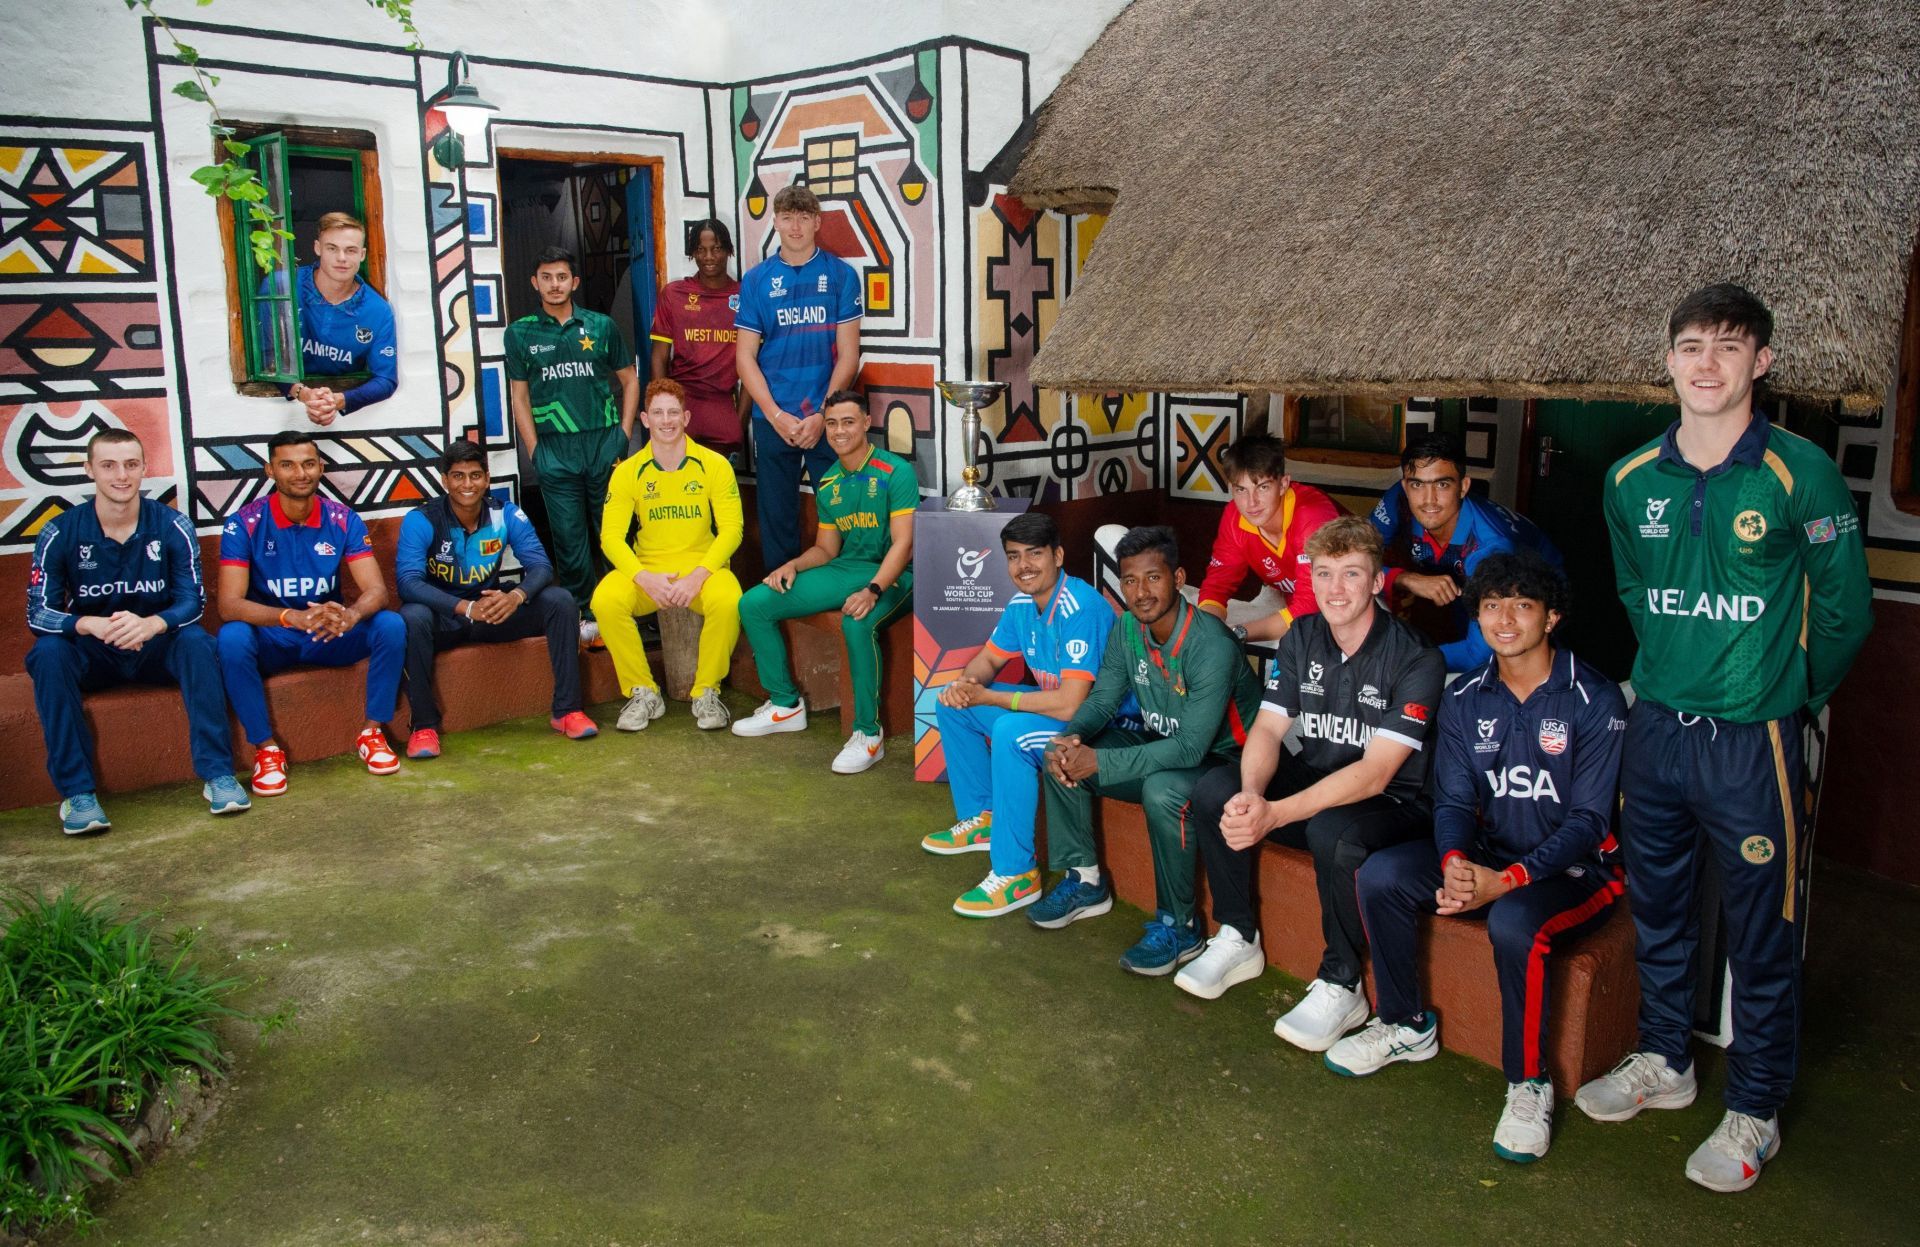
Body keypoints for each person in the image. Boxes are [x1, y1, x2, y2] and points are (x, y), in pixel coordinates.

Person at [1580, 282, 1872, 1193]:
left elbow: (1847, 612)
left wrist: (1792, 696)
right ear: (1667, 361)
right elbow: (1635, 593)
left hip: (1755, 742)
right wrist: (1671, 672)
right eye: (1693, 346)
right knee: (1659, 905)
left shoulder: (1800, 471)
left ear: (1763, 363)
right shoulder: (1629, 479)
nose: (1708, 363)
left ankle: (1755, 1105)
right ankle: (1666, 1060)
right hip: (1658, 732)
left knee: (1763, 928)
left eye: (1730, 347)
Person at [1331, 552, 1626, 1165]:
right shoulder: (1465, 696)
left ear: (1552, 616)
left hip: (1576, 870)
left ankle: (1528, 1081)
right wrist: (1457, 862)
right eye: (1492, 606)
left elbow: (1589, 822)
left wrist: (1507, 881)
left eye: (1522, 605)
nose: (1505, 619)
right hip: (1491, 852)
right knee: (1383, 875)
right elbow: (1454, 801)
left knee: (1514, 922)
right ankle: (1405, 1023)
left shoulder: (1593, 698)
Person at [1176, 518, 1444, 1052]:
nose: (1335, 589)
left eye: (1351, 574)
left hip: (1398, 805)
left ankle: (1343, 983)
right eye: (1324, 574)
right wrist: (1253, 794)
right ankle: (1237, 935)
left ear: (1376, 582)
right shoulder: (1303, 634)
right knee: (1216, 789)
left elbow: (1376, 772)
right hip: (1322, 783)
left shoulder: (1417, 657)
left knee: (1331, 833)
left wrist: (1276, 815)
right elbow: (1270, 727)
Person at [1033, 525, 1264, 975]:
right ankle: (1084, 881)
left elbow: (1193, 747)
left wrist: (1099, 760)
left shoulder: (1211, 644)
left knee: (1164, 791)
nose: (1141, 592)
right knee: (1060, 752)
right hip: (1165, 748)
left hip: (1227, 763)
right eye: (1130, 581)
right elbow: (1102, 700)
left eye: (1153, 578)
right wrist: (1073, 737)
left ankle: (1182, 927)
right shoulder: (1127, 627)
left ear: (1178, 579)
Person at [25, 429, 249, 833]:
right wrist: (85, 623)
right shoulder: (60, 532)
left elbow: (192, 602)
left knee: (198, 643)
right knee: (48, 653)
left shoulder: (172, 526)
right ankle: (78, 794)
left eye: (131, 465)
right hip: (95, 650)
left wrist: (152, 624)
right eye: (108, 465)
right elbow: (38, 612)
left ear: (145, 468)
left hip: (154, 647)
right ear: (89, 469)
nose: (121, 476)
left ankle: (218, 775)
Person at [924, 511, 1121, 917]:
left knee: (1012, 731)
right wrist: (967, 684)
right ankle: (983, 818)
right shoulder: (1021, 604)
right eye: (1014, 556)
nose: (1024, 566)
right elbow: (988, 660)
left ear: (1059, 555)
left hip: (1098, 725)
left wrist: (991, 698)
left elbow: (1071, 703)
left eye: (1035, 554)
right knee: (951, 704)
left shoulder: (1079, 605)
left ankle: (1017, 875)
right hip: (1057, 710)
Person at [215, 429, 407, 794]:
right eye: (287, 465)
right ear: (270, 470)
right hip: (275, 634)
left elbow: (376, 591)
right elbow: (229, 605)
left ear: (321, 467)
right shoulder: (244, 523)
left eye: (308, 464)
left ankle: (373, 732)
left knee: (390, 624)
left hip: (327, 631)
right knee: (232, 637)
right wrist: (291, 617)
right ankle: (266, 749)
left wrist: (351, 615)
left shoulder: (342, 519)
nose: (300, 473)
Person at [733, 391, 913, 774]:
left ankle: (868, 734)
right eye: (831, 423)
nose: (839, 431)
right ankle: (785, 705)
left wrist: (873, 590)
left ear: (866, 422)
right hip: (846, 568)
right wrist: (794, 565)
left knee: (858, 621)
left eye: (848, 422)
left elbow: (904, 544)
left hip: (895, 574)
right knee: (754, 603)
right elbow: (827, 549)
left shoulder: (895, 471)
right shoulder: (829, 479)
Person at [395, 441, 598, 759]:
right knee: (411, 618)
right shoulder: (421, 519)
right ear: (445, 480)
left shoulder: (505, 513)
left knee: (560, 601)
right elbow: (408, 584)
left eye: (475, 475)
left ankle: (567, 711)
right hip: (446, 615)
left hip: (492, 611)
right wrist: (464, 607)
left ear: (487, 478)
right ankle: (424, 727)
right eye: (458, 476)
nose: (467, 484)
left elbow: (541, 566)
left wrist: (516, 596)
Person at [592, 378, 745, 732]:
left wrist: (699, 574)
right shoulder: (628, 471)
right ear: (644, 420)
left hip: (702, 570)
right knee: (606, 600)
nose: (666, 420)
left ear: (686, 417)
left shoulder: (714, 465)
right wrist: (643, 577)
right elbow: (611, 538)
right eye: (658, 413)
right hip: (651, 573)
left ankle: (706, 691)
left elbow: (732, 529)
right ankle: (644, 692)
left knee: (728, 599)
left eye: (673, 412)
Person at [505, 245, 639, 637]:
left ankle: (624, 608)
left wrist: (624, 435)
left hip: (603, 441)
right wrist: (535, 451)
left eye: (561, 276)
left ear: (574, 282)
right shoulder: (520, 333)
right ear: (535, 282)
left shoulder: (600, 326)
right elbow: (519, 396)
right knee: (568, 536)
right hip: (554, 448)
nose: (554, 284)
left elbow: (630, 381)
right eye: (546, 277)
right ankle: (584, 616)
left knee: (613, 531)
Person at [735, 184, 863, 568]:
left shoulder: (841, 275)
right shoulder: (757, 280)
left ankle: (846, 590)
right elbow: (745, 358)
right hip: (774, 419)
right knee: (777, 518)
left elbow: (850, 356)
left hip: (827, 419)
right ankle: (781, 595)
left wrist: (824, 414)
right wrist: (775, 415)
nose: (795, 226)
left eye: (804, 217)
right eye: (788, 217)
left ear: (817, 222)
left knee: (843, 509)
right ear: (775, 222)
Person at [1367, 432, 1562, 671]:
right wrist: (1404, 579)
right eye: (1417, 484)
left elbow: (1477, 654)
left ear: (1463, 487)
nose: (1429, 500)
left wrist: (1398, 661)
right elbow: (1353, 562)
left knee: (1513, 658)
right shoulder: (1398, 498)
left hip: (1537, 578)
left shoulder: (1492, 547)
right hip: (1466, 577)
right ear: (1405, 486)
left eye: (1442, 484)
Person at [1195, 434, 1343, 643]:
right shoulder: (1234, 517)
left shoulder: (1312, 517)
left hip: (1361, 603)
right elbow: (1217, 585)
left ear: (1283, 484)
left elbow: (1312, 605)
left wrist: (1235, 634)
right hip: (1295, 607)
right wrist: (1206, 631)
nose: (1251, 502)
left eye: (1262, 487)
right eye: (1241, 490)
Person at [264, 211, 398, 426]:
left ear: (362, 254)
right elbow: (267, 357)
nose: (342, 258)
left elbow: (386, 380)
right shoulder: (281, 287)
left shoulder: (378, 310)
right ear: (318, 248)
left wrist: (339, 400)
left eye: (351, 250)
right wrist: (301, 392)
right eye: (332, 248)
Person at [650, 218, 748, 457]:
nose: (709, 257)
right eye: (701, 250)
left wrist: (740, 423)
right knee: (677, 490)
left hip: (722, 407)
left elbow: (752, 366)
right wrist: (663, 409)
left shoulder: (745, 296)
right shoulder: (674, 294)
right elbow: (659, 357)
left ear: (729, 250)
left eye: (716, 249)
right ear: (693, 253)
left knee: (719, 491)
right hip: (682, 403)